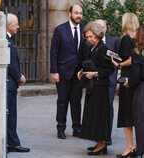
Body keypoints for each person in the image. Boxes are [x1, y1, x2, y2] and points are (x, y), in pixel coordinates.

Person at [78, 21, 114, 155]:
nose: (89, 39)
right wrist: (82, 71)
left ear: (98, 34)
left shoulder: (103, 48)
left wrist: (95, 73)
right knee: (94, 116)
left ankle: (102, 144)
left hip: (101, 88)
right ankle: (99, 143)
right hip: (94, 87)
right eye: (87, 37)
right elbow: (93, 64)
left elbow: (109, 69)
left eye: (91, 36)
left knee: (99, 116)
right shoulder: (93, 47)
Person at [50, 4, 84, 139]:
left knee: (77, 102)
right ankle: (61, 129)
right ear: (69, 14)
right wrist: (54, 71)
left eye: (80, 13)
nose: (79, 16)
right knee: (63, 101)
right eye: (76, 13)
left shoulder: (85, 29)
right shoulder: (60, 30)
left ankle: (77, 128)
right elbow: (54, 52)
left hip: (79, 73)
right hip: (63, 72)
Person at [111, 13, 139, 158]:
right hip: (138, 80)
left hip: (127, 80)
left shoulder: (126, 39)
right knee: (136, 115)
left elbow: (130, 60)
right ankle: (135, 147)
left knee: (126, 115)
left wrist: (118, 63)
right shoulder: (138, 40)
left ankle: (130, 147)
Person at [6, 13, 30, 152]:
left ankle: (11, 142)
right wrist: (19, 76)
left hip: (11, 83)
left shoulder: (10, 38)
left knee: (10, 115)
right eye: (16, 24)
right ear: (9, 26)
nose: (18, 26)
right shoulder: (5, 39)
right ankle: (12, 143)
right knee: (10, 115)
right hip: (9, 83)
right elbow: (9, 63)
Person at [95, 19, 120, 145]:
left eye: (103, 26)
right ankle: (98, 136)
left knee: (108, 108)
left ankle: (107, 136)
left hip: (110, 81)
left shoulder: (114, 41)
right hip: (97, 82)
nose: (101, 28)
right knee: (97, 108)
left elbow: (120, 59)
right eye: (98, 26)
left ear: (106, 28)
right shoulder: (91, 42)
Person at [123, 26, 144, 158]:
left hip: (141, 90)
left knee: (140, 122)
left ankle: (140, 151)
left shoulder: (137, 54)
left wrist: (127, 83)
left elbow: (135, 78)